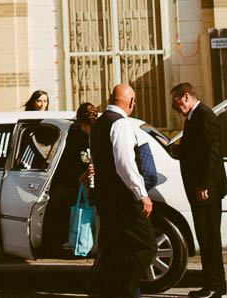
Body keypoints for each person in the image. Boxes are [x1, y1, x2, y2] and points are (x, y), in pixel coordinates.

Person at [89, 84, 156, 298]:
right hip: (123, 199)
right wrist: (142, 194)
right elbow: (125, 164)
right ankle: (125, 289)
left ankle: (107, 291)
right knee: (148, 246)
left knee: (115, 248)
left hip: (105, 197)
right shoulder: (121, 124)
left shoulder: (98, 124)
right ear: (131, 102)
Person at [171, 82, 227, 298]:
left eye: (176, 102)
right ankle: (212, 285)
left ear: (186, 97)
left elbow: (212, 154)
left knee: (210, 238)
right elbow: (195, 149)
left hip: (207, 189)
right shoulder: (194, 118)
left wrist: (204, 184)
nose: (175, 108)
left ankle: (215, 286)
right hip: (199, 188)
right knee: (205, 238)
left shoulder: (204, 116)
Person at [42, 102, 97, 256]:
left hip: (72, 181)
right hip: (68, 180)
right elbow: (67, 160)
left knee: (69, 213)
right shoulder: (73, 134)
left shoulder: (72, 132)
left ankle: (66, 242)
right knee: (68, 212)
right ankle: (67, 242)